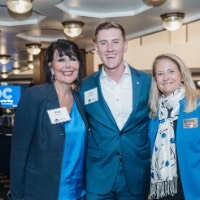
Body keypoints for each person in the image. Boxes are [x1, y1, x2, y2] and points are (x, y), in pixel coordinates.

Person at [79, 21, 151, 200]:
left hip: (136, 172)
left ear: (125, 46)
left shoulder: (147, 82)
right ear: (96, 48)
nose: (110, 48)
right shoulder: (86, 85)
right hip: (98, 174)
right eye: (103, 43)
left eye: (115, 42)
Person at [10, 39, 88, 200]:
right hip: (43, 192)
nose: (68, 65)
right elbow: (19, 154)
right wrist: (17, 196)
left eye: (73, 59)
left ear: (79, 65)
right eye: (61, 59)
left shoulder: (80, 99)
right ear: (51, 67)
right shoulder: (35, 97)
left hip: (78, 192)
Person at [148, 53, 200, 200]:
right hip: (162, 192)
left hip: (193, 190)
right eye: (160, 73)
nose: (166, 77)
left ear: (182, 75)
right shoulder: (154, 114)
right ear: (155, 80)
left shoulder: (197, 107)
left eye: (171, 71)